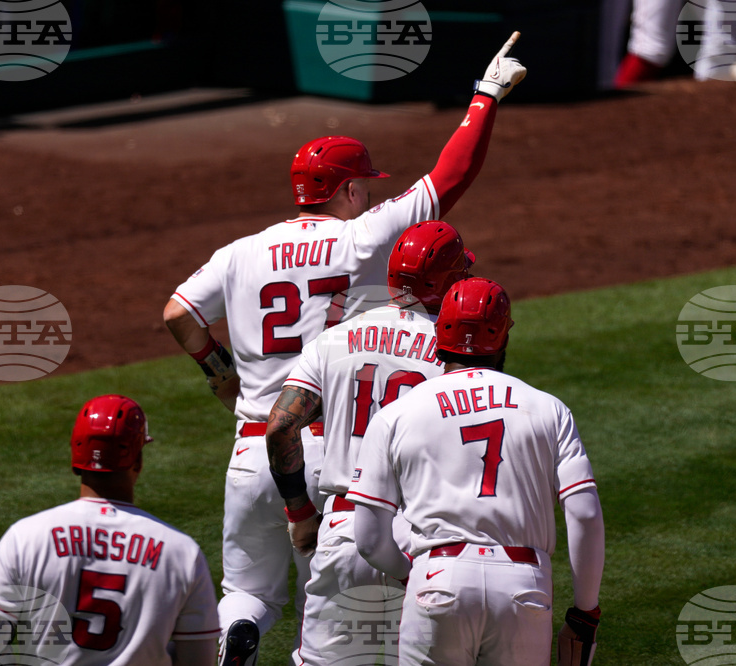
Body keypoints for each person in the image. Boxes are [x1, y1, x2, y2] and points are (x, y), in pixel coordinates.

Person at [162, 33, 526, 665]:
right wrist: (486, 95)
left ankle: (238, 635)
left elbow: (178, 314)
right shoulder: (363, 239)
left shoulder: (241, 251)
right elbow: (451, 176)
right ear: (351, 190)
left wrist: (220, 377)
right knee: (331, 613)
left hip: (254, 447)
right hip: (332, 451)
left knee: (246, 591)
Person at [349, 278, 605, 666]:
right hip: (525, 589)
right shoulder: (548, 408)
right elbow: (584, 513)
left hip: (438, 580)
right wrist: (585, 613)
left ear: (438, 338)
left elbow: (368, 538)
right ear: (503, 337)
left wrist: (411, 574)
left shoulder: (396, 414)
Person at [266, 221, 475, 665]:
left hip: (345, 530)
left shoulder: (334, 339)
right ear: (449, 282)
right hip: (423, 541)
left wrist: (300, 512)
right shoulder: (453, 351)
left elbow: (280, 426)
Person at [0, 395, 220, 666]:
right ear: (138, 461)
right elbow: (198, 660)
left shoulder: (25, 537)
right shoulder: (182, 552)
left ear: (76, 456)